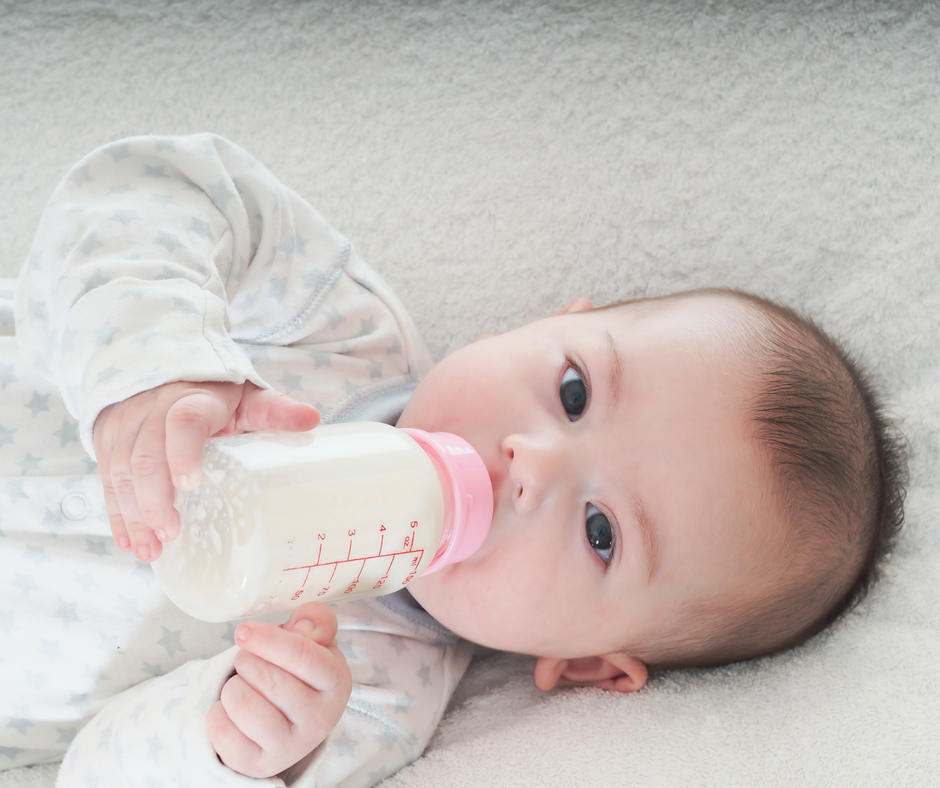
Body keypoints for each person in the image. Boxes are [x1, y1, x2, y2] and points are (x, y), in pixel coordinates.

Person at [0, 135, 905, 786]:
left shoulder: (365, 706)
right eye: (575, 392)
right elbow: (148, 188)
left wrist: (234, 745)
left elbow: (88, 773)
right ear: (548, 321)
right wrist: (158, 364)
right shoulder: (333, 328)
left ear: (589, 666)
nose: (532, 465)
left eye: (600, 533)